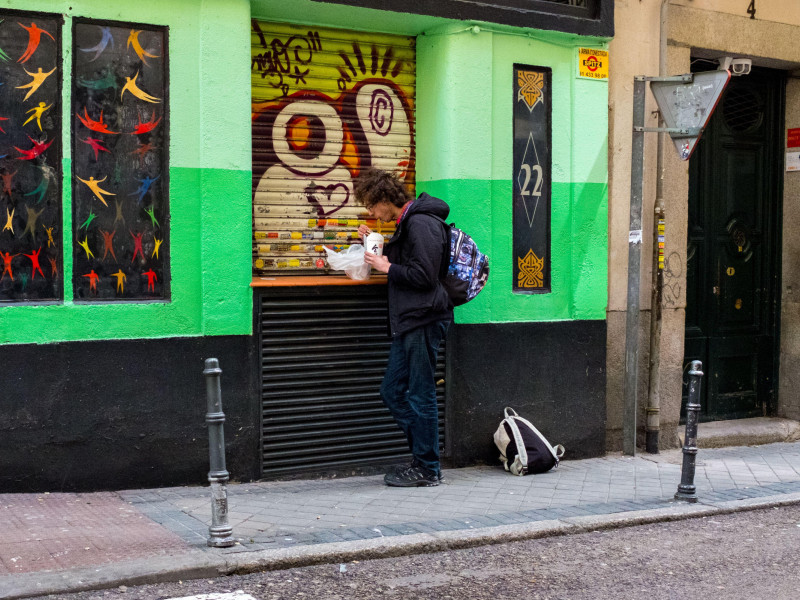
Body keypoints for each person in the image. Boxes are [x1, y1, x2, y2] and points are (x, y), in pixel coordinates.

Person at [354, 168, 453, 487]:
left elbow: (423, 275)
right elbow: (407, 259)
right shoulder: (408, 222)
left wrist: (386, 266)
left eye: (371, 205)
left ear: (384, 198)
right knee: (392, 391)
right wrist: (373, 244)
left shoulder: (422, 222)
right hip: (410, 320)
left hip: (423, 318)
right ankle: (424, 455)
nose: (371, 211)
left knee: (421, 393)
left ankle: (428, 467)